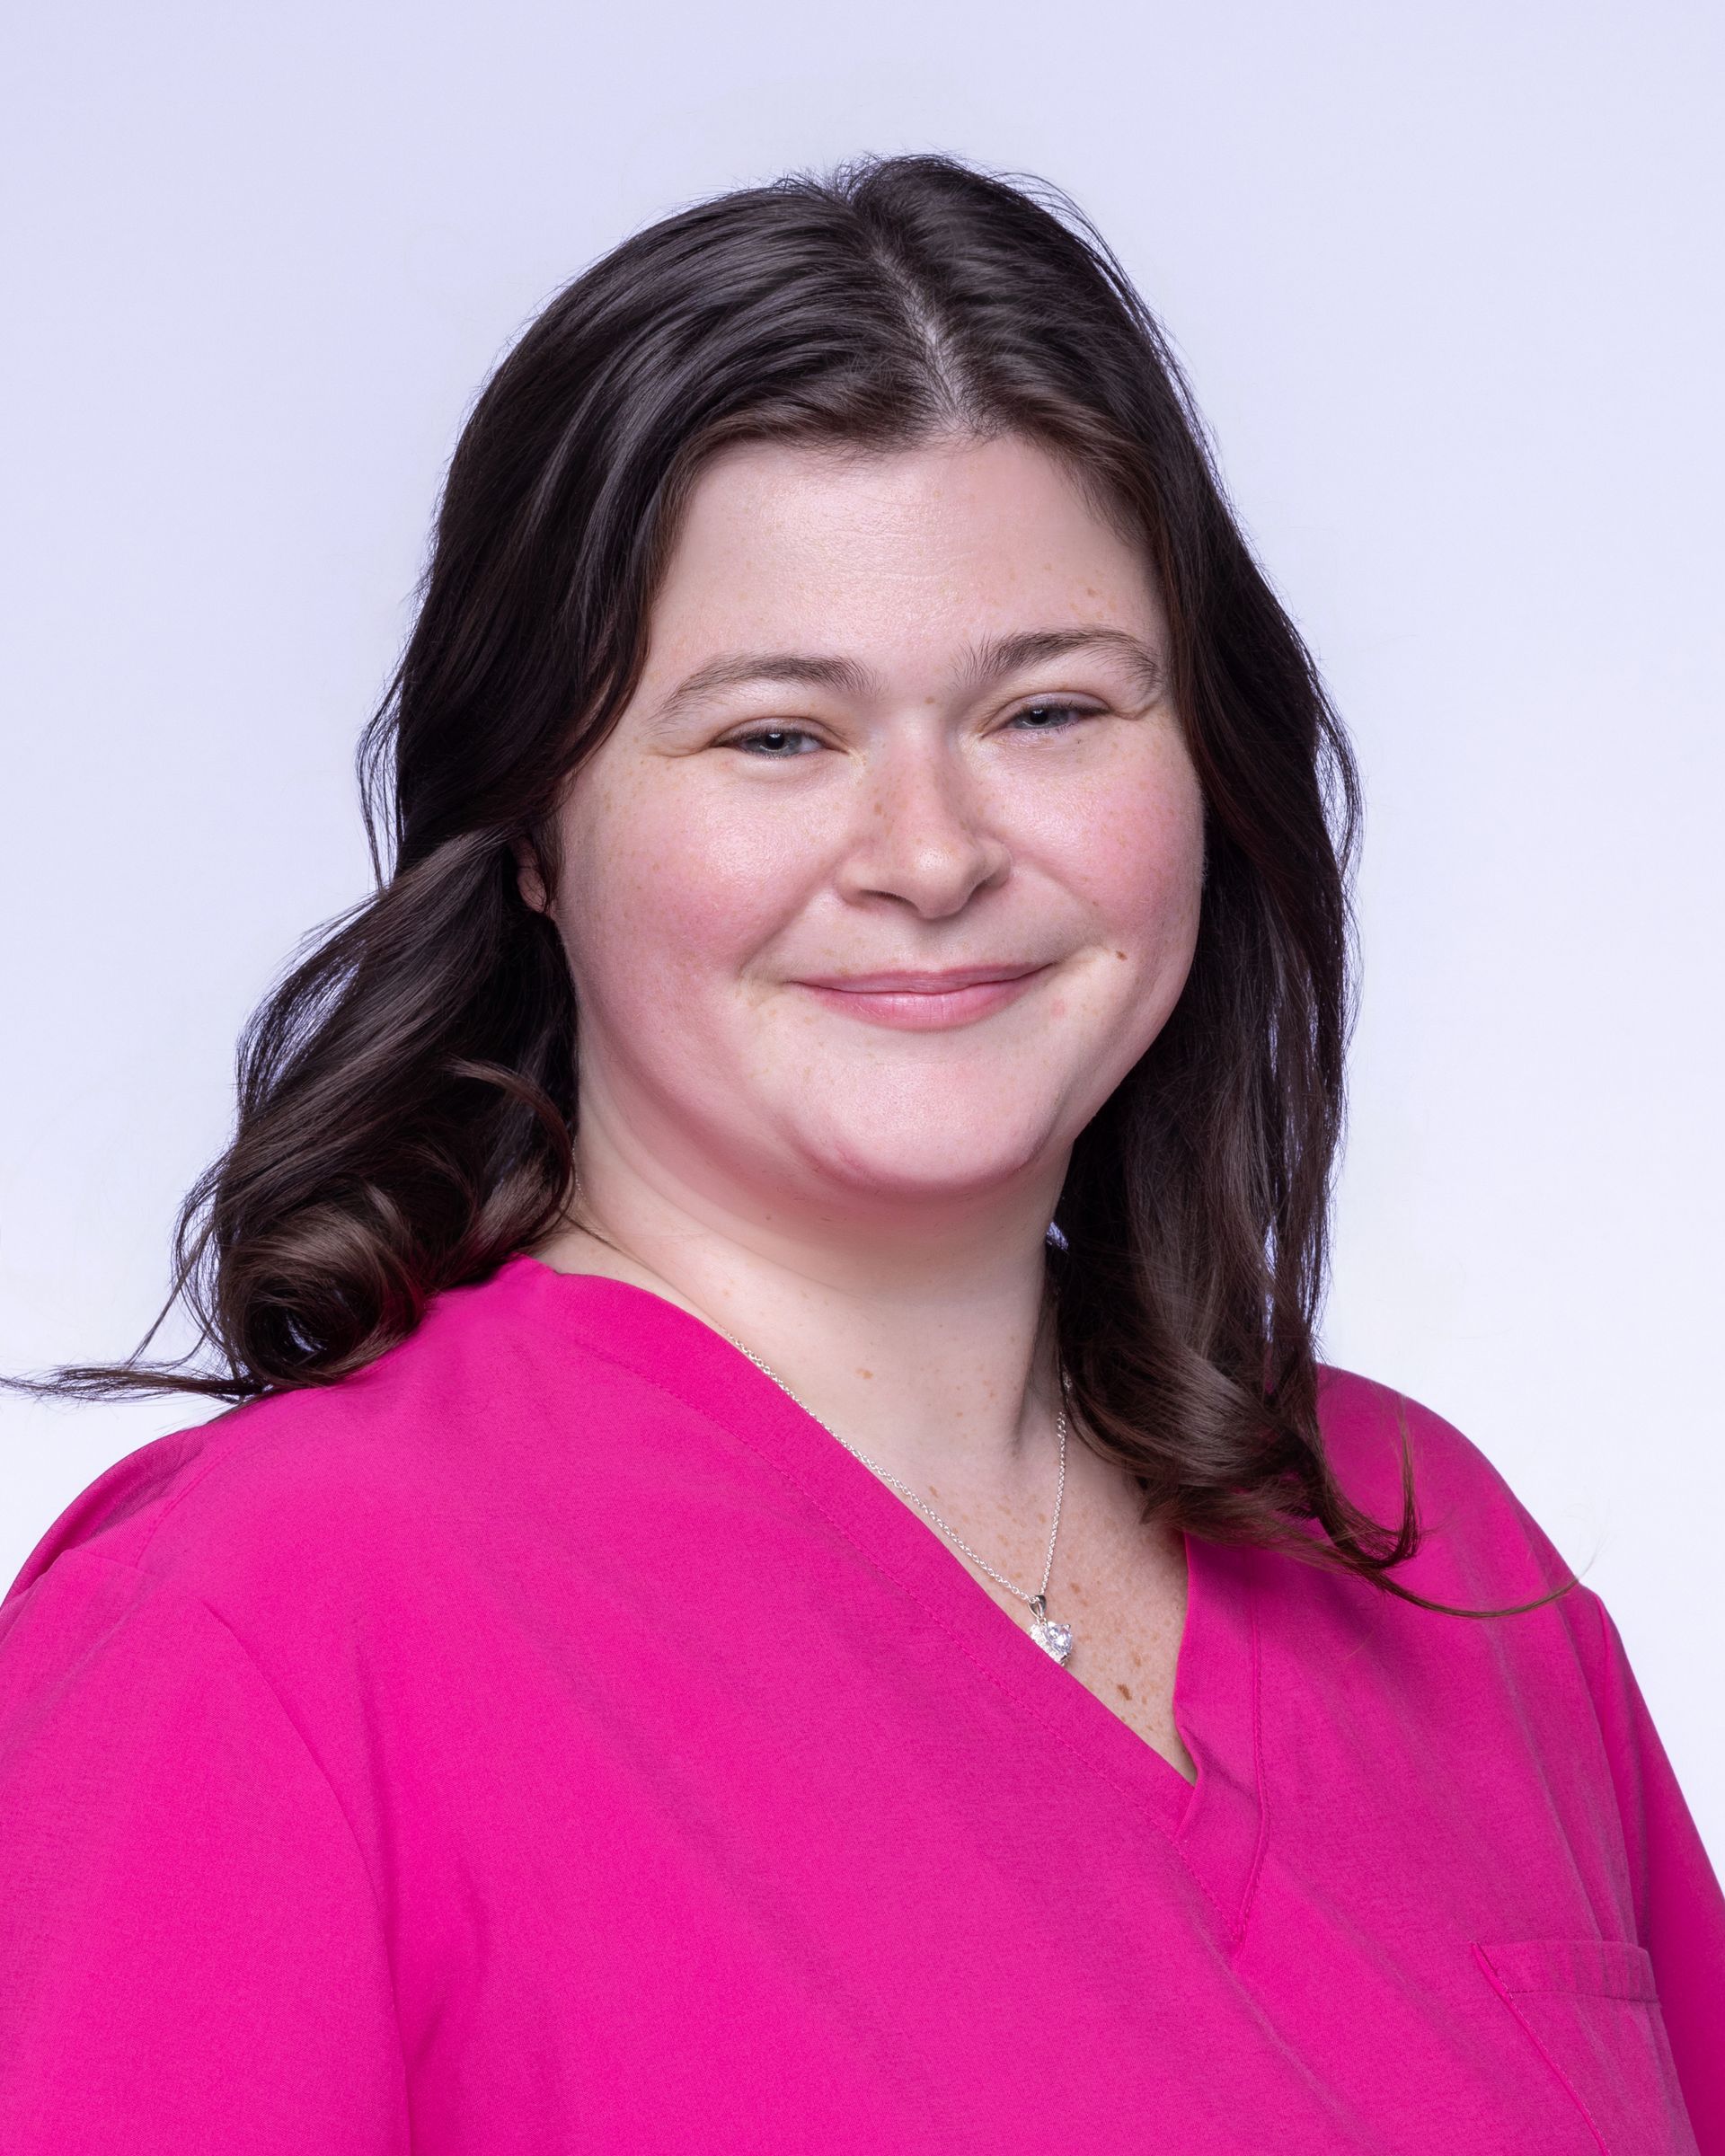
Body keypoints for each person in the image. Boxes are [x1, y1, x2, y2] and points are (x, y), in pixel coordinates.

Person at [1, 150, 1718, 2153]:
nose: (931, 857)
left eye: (1051, 711)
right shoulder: (265, 1623)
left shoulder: (1428, 1552)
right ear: (536, 835)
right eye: (776, 737)